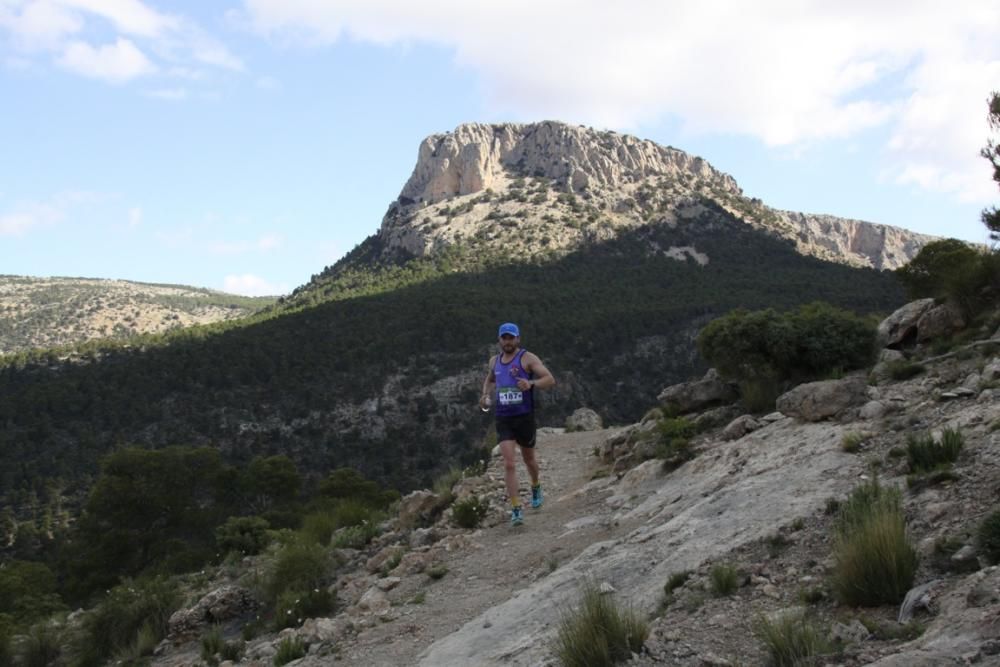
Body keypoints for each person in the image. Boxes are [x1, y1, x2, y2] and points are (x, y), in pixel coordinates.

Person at [480, 322, 555, 526]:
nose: (507, 341)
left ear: (518, 339)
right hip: (503, 418)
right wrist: (485, 395)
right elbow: (489, 380)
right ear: (499, 340)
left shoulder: (527, 358)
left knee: (529, 459)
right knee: (509, 463)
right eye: (504, 338)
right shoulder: (494, 361)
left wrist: (531, 384)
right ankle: (516, 509)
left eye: (511, 337)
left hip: (524, 417)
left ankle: (536, 485)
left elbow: (549, 379)